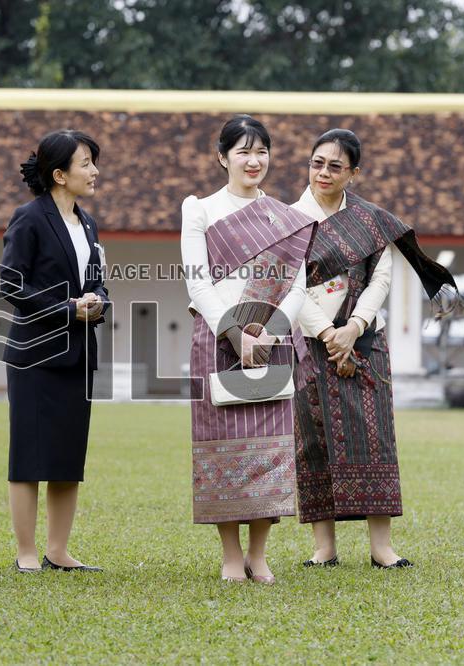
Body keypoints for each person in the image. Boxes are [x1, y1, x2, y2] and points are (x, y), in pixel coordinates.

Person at [292, 129, 461, 569]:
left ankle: (381, 547)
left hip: (365, 342)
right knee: (314, 441)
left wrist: (353, 327)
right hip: (312, 343)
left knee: (375, 439)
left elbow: (381, 277)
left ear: (353, 173)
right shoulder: (288, 218)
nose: (323, 173)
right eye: (317, 163)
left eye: (335, 166)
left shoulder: (371, 220)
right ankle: (323, 547)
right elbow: (289, 287)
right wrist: (329, 333)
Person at [181, 115, 315, 584]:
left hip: (273, 342)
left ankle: (259, 554)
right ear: (222, 158)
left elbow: (298, 285)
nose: (253, 160)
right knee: (223, 447)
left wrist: (270, 332)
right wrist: (236, 333)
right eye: (242, 151)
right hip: (218, 341)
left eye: (261, 151)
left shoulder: (289, 219)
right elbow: (198, 284)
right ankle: (231, 555)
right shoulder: (199, 210)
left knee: (270, 449)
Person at [0, 130, 109, 573]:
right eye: (86, 163)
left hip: (78, 357)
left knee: (67, 457)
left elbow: (96, 281)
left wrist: (98, 300)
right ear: (59, 174)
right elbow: (10, 282)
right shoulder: (28, 218)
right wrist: (67, 308)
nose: (95, 171)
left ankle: (58, 550)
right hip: (35, 357)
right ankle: (27, 552)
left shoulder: (88, 225)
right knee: (29, 456)